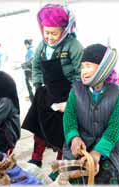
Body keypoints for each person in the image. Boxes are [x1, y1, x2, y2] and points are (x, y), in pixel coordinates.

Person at [22, 4, 84, 167]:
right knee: (39, 125)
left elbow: (80, 74)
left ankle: (61, 163)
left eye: (54, 33)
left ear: (64, 30)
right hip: (47, 92)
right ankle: (37, 158)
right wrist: (37, 85)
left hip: (67, 94)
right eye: (46, 32)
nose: (49, 37)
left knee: (63, 130)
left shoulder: (74, 47)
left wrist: (72, 100)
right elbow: (36, 66)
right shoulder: (42, 46)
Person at [63, 43, 119, 185]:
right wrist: (73, 137)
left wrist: (97, 153)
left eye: (88, 66)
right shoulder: (76, 90)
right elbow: (69, 117)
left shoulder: (118, 94)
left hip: (109, 151)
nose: (83, 71)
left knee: (105, 178)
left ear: (104, 67)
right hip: (82, 147)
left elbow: (115, 128)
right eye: (82, 66)